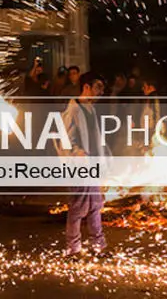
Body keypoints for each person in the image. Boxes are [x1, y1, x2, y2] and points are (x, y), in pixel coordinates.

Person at [57, 71, 108, 258]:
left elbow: (96, 139)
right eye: (98, 87)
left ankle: (98, 246)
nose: (101, 92)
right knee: (78, 208)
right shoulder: (72, 110)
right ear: (86, 87)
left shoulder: (90, 109)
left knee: (95, 206)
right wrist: (78, 153)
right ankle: (73, 248)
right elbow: (66, 140)